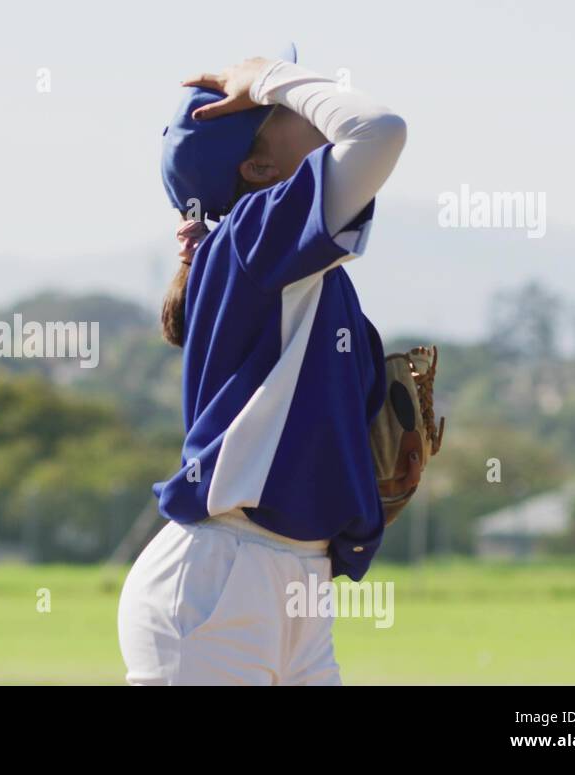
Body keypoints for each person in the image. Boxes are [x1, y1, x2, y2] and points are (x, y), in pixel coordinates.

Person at [117, 45, 408, 685]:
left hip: (297, 583)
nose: (302, 105)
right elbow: (379, 132)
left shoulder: (299, 269)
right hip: (217, 586)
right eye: (274, 109)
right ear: (258, 167)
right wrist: (270, 78)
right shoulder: (254, 233)